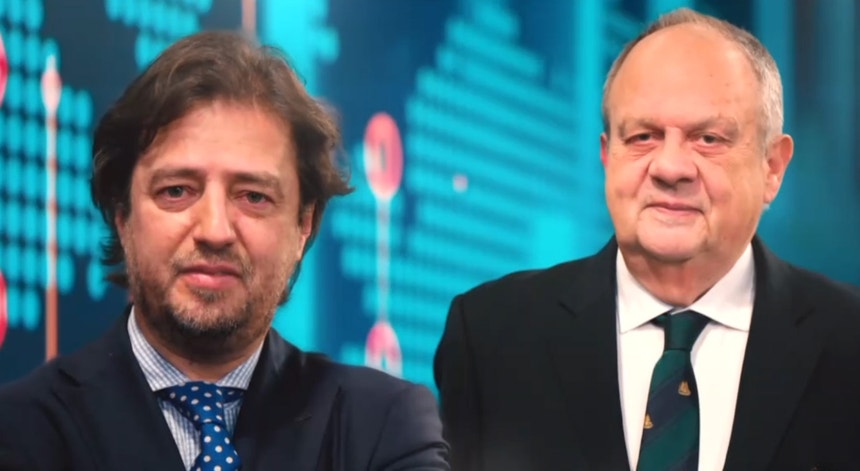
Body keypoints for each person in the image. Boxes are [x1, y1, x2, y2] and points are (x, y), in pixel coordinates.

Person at [434, 8, 860, 471]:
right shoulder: (490, 337)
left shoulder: (848, 339)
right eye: (642, 137)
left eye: (708, 138)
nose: (670, 168)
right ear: (607, 156)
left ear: (772, 167)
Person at [0, 31, 449, 471]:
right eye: (176, 190)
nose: (215, 231)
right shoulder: (20, 430)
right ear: (122, 216)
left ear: (303, 225)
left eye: (253, 197)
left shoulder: (383, 426)